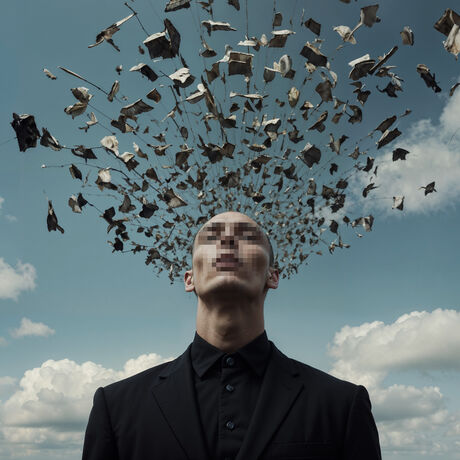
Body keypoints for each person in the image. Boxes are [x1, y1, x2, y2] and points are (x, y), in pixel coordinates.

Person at [82, 211, 381, 460]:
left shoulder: (341, 404)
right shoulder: (115, 406)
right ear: (189, 278)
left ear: (273, 276)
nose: (226, 241)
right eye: (211, 238)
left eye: (247, 237)